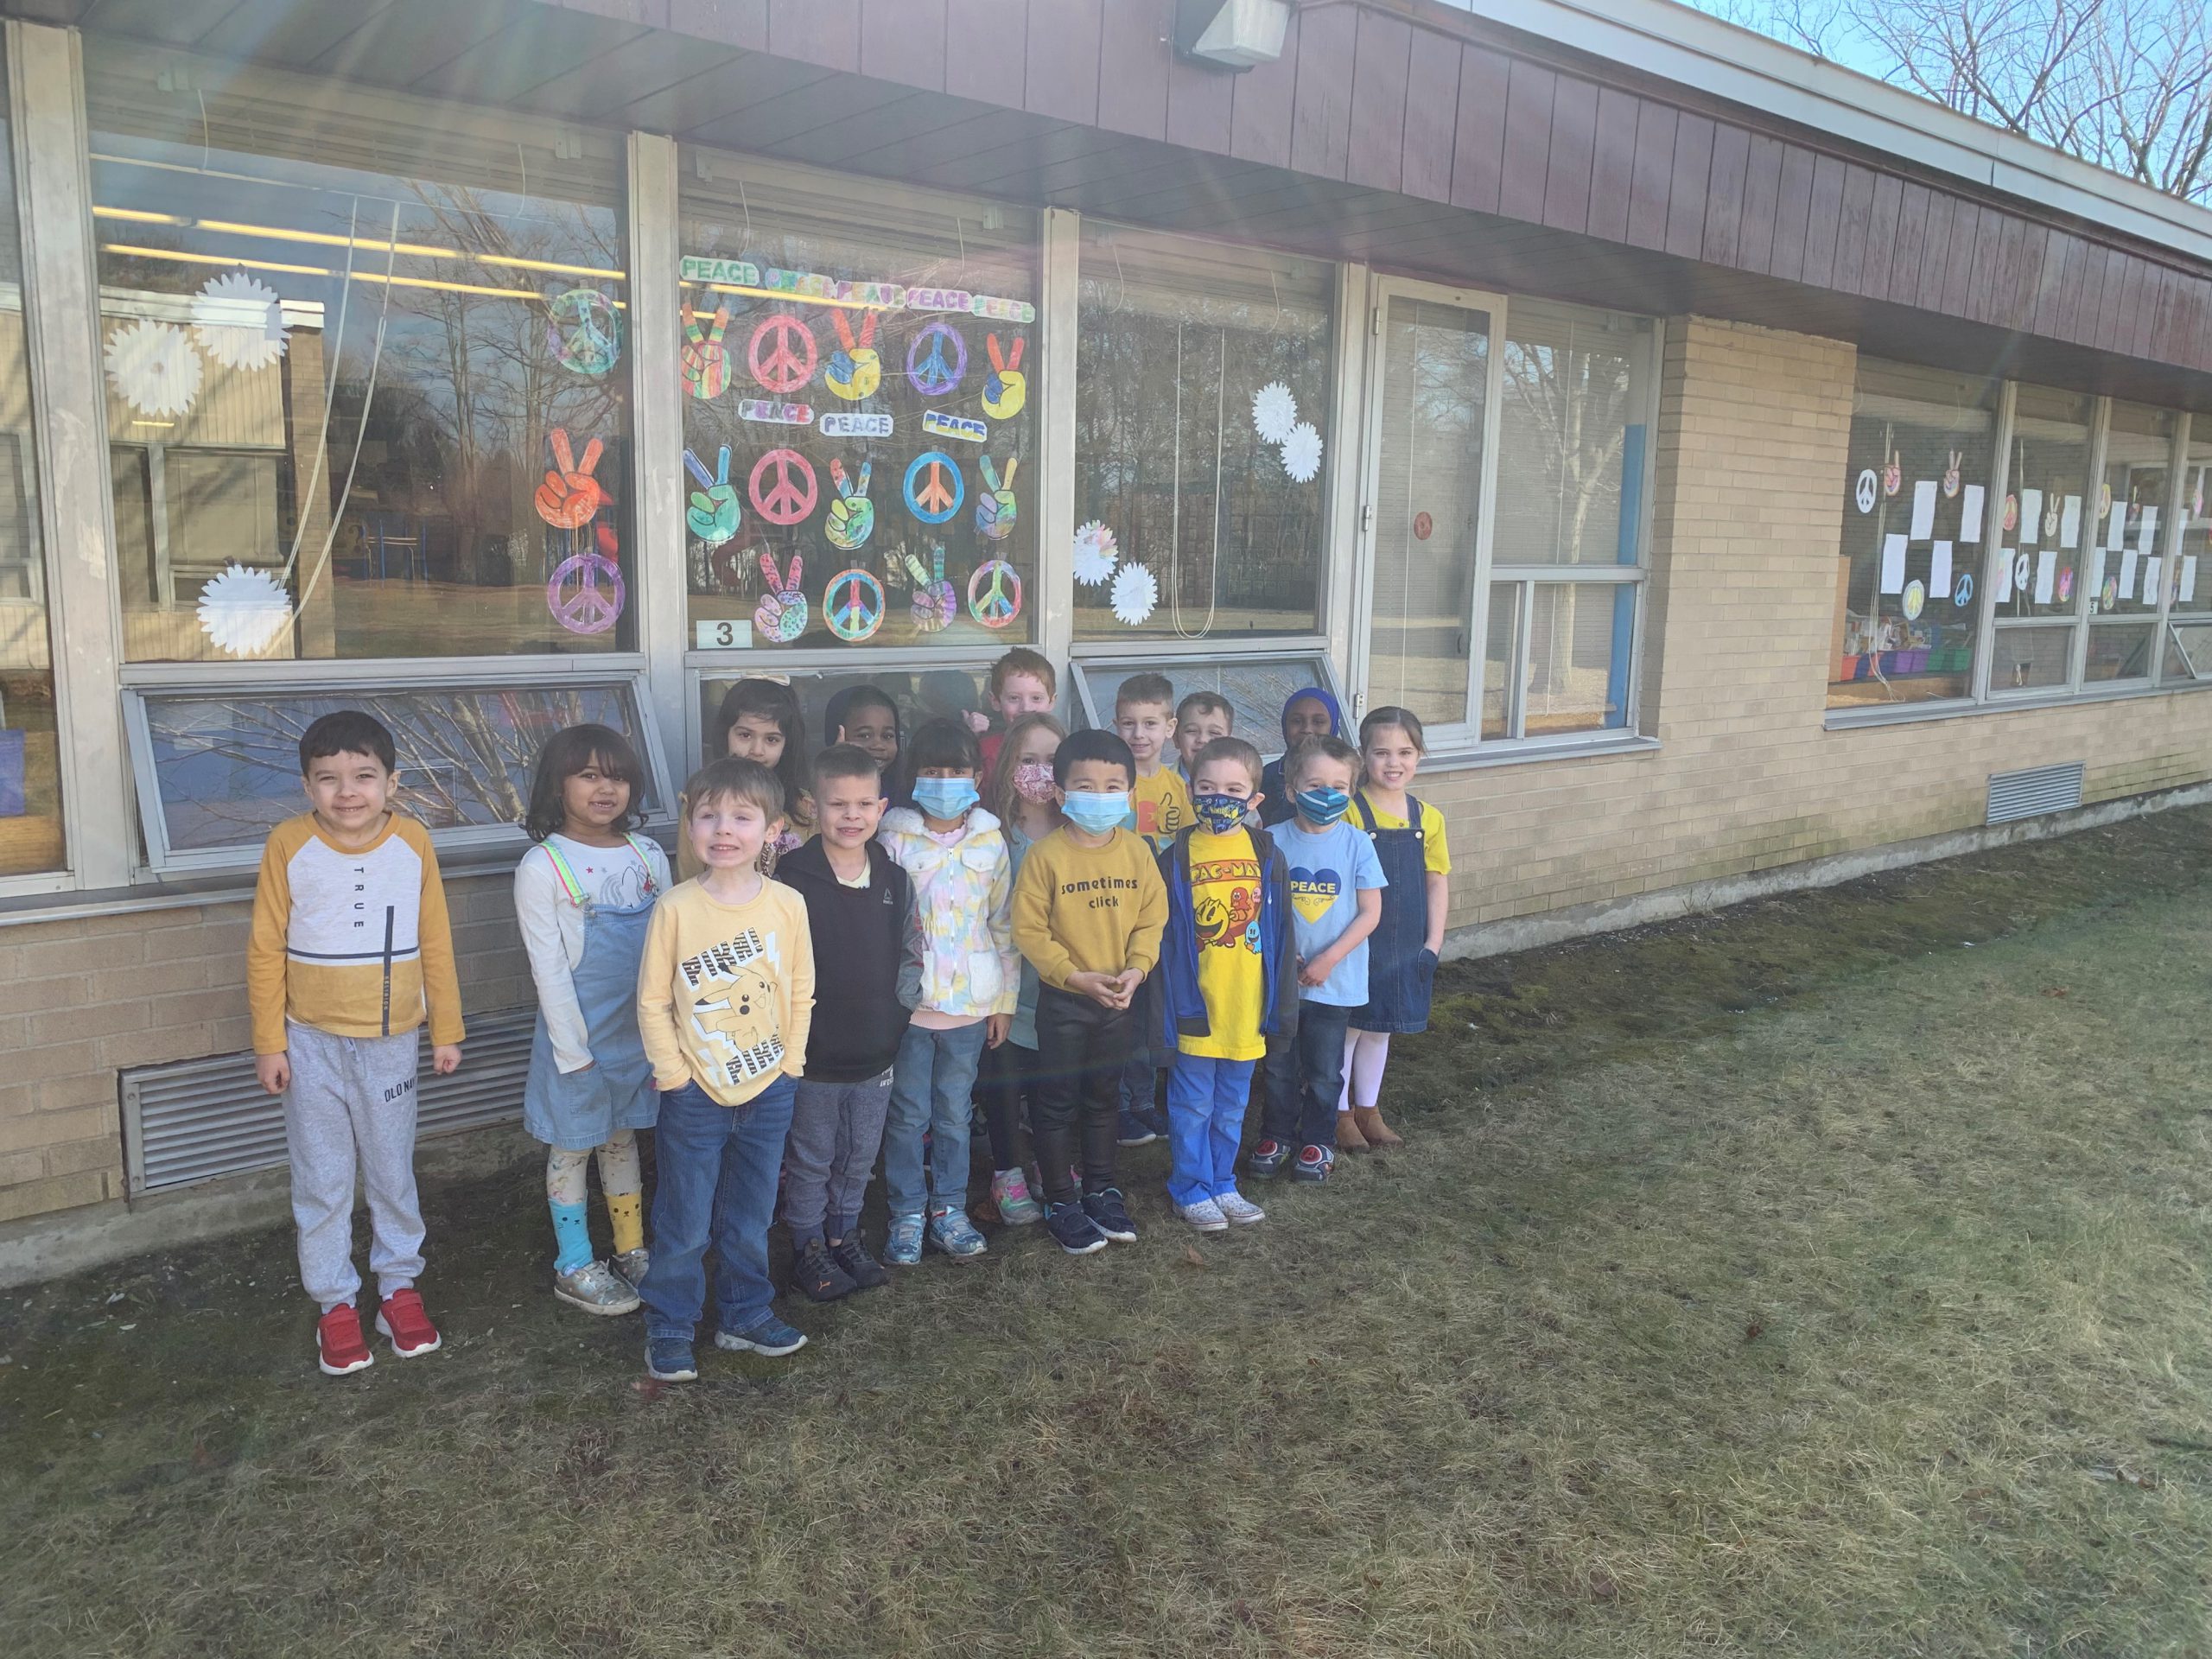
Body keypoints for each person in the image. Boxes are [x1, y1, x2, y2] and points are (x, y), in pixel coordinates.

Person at [248, 710, 463, 1376]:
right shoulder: (288, 844)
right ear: (307, 787)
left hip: (392, 1041)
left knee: (393, 1170)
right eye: (329, 779)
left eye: (364, 776)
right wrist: (269, 1042)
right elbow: (264, 948)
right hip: (308, 1043)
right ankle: (335, 1302)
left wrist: (445, 1029)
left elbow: (435, 939)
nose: (348, 792)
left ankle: (398, 1286)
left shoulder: (413, 843)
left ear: (392, 782)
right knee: (323, 1175)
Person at [634, 757, 815, 1382]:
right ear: (689, 827)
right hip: (695, 1092)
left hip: (770, 1087)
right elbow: (654, 1000)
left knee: (752, 1212)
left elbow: (800, 987)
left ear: (773, 829)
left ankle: (744, 1313)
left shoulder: (788, 905)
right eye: (708, 815)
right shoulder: (677, 909)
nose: (723, 829)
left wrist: (791, 1064)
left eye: (741, 816)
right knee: (683, 1216)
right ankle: (671, 1322)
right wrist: (675, 1075)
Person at [514, 723, 670, 1316]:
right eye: (589, 775)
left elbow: (672, 945)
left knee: (623, 1137)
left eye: (619, 775)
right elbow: (549, 972)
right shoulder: (542, 865)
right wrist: (572, 1053)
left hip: (639, 1036)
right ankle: (575, 1263)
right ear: (558, 786)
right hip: (575, 1042)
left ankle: (632, 1249)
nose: (606, 788)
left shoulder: (649, 855)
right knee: (573, 1146)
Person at [1010, 728, 1167, 1255]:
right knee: (1055, 1104)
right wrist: (1072, 976)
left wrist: (1137, 971)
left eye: (1111, 788)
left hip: (1119, 1000)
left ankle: (1102, 1189)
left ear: (1128, 796)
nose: (1098, 798)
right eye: (1084, 785)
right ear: (1060, 793)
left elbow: (1152, 919)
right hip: (1064, 1002)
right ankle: (1061, 1199)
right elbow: (1029, 930)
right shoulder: (1045, 856)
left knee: (1104, 1100)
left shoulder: (1139, 853)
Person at [774, 744, 919, 1300]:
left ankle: (845, 1233)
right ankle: (808, 1243)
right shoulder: (791, 877)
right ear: (813, 805)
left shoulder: (892, 876)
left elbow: (910, 948)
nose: (851, 816)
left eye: (864, 804)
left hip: (876, 1049)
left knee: (860, 1153)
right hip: (814, 1053)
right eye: (839, 804)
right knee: (812, 1155)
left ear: (882, 808)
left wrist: (899, 1012)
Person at [876, 718, 1019, 1266]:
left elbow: (1002, 924)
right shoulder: (892, 838)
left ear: (976, 776)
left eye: (956, 771)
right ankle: (907, 1212)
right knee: (908, 1114)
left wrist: (1004, 999)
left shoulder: (990, 838)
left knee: (955, 1114)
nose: (944, 782)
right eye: (931, 772)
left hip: (970, 1006)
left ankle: (949, 1209)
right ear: (913, 778)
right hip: (910, 1006)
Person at [1152, 738, 1294, 1231]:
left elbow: (1280, 935)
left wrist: (1280, 1007)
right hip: (1197, 1008)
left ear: (1255, 798)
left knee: (1232, 1106)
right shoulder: (1174, 859)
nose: (1219, 797)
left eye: (1234, 789)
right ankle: (1189, 1188)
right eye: (1208, 787)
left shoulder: (1267, 855)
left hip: (1246, 1008)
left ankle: (1221, 1182)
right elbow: (1165, 942)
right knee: (1192, 1105)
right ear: (1191, 790)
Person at [1249, 734, 1384, 1185]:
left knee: (1327, 1070)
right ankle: (1278, 1135)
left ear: (1352, 791)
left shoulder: (1357, 844)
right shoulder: (1270, 840)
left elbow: (1371, 913)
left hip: (1335, 982)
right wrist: (1285, 954)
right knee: (1280, 1065)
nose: (1327, 795)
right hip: (1283, 981)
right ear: (1290, 789)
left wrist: (1328, 959)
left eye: (1339, 787)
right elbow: (1258, 907)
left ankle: (1319, 1139)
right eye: (1315, 784)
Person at [1338, 708, 1448, 1154]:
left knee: (1381, 1028)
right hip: (1357, 940)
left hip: (1404, 941)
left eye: (1405, 752)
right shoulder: (1347, 810)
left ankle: (1369, 1109)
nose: (1393, 762)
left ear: (1419, 756)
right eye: (1381, 752)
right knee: (1349, 1028)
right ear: (1364, 756)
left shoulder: (1429, 818)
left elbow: (1436, 880)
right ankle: (1339, 1112)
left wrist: (1433, 942)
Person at [975, 712, 1064, 1227]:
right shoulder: (993, 835)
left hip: (1059, 984)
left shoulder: (1081, 831)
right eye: (1028, 760)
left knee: (1055, 1083)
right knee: (1004, 1081)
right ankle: (1008, 1170)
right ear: (1008, 765)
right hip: (1004, 985)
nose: (1040, 771)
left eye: (1052, 760)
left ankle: (1052, 1165)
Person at [681, 678, 810, 880]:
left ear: (787, 745)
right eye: (745, 735)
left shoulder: (806, 807)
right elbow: (688, 880)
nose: (756, 751)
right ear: (726, 734)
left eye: (771, 739)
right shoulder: (699, 803)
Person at [1258, 686, 1344, 826]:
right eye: (1297, 721)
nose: (1307, 729)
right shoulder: (1266, 777)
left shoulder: (1347, 775)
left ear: (1333, 726)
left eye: (1318, 722)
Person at [981, 646, 1057, 772]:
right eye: (1014, 698)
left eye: (1036, 698)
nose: (1026, 708)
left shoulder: (1063, 749)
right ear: (995, 701)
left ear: (1051, 702)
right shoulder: (985, 752)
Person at [823, 683, 902, 785]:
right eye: (864, 735)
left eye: (887, 736)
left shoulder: (906, 792)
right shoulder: (821, 794)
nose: (878, 746)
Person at [1173, 691, 1233, 784]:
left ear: (1229, 742)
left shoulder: (1243, 786)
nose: (1202, 739)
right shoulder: (1158, 788)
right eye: (1191, 731)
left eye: (1214, 732)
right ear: (1176, 738)